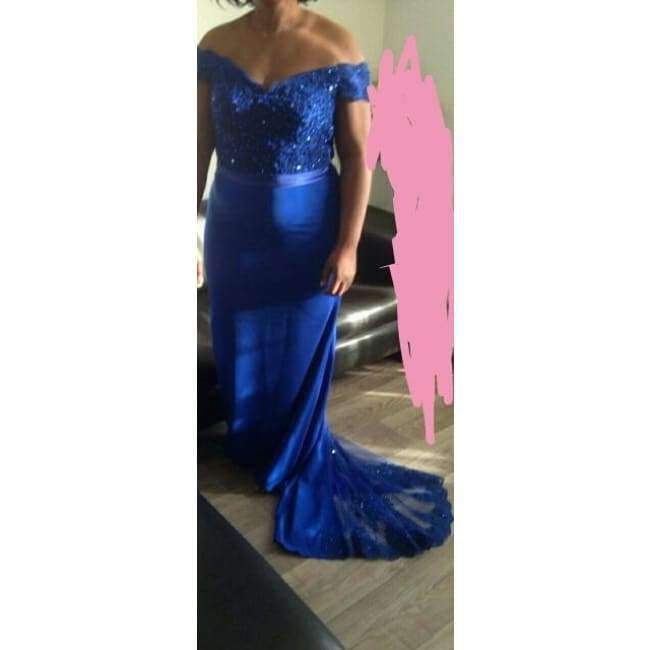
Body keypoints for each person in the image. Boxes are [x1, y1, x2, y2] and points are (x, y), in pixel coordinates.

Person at [197, 0, 452, 560]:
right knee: (239, 345)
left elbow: (358, 157)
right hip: (232, 230)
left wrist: (348, 246)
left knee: (298, 354)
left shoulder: (338, 47)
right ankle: (251, 446)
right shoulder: (215, 46)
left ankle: (292, 454)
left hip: (309, 235)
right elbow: (199, 148)